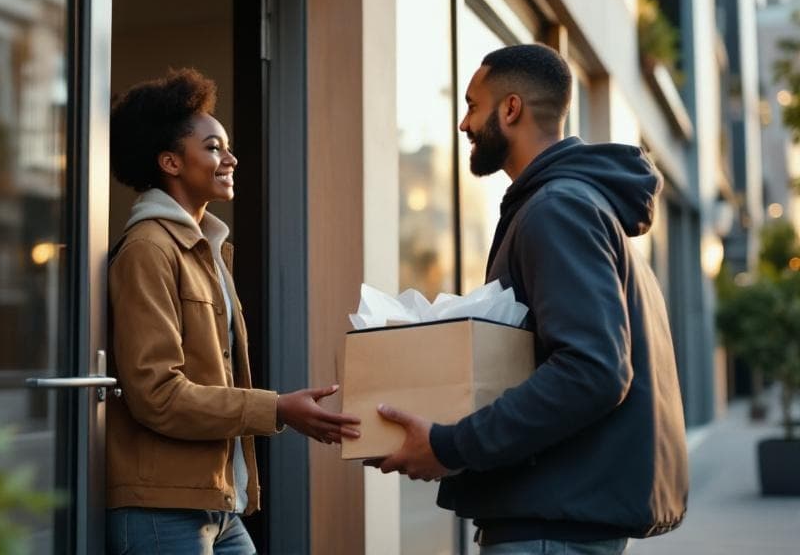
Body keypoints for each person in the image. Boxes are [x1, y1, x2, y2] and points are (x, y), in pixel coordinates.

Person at [370, 44, 688, 555]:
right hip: (554, 522)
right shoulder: (570, 204)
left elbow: (594, 369)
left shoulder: (556, 209)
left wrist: (450, 445)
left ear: (510, 109)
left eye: (473, 105)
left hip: (549, 532)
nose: (463, 123)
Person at [106, 68, 361, 554]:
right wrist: (278, 407)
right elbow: (156, 394)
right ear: (170, 162)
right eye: (213, 147)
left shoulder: (206, 248)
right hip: (161, 510)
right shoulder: (148, 249)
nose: (231, 158)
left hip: (216, 501)